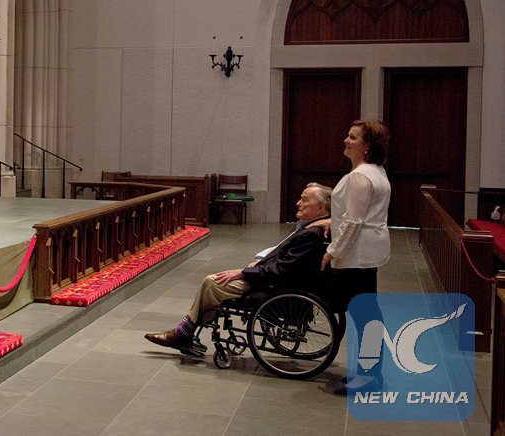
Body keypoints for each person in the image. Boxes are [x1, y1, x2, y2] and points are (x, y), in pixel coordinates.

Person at [143, 183, 332, 352]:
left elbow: (283, 269)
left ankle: (184, 332)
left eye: (304, 200)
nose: (298, 203)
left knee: (212, 282)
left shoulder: (312, 234)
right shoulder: (314, 228)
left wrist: (244, 273)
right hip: (278, 279)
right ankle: (187, 330)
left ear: (321, 207)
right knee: (218, 281)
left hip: (275, 285)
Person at [320, 119, 391, 394]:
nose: (346, 141)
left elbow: (353, 222)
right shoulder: (377, 171)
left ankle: (369, 377)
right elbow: (360, 214)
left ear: (367, 146)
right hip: (368, 251)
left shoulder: (360, 176)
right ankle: (370, 373)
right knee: (368, 315)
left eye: (353, 137)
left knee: (365, 317)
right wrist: (331, 222)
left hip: (357, 254)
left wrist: (332, 251)